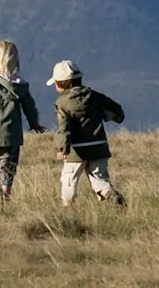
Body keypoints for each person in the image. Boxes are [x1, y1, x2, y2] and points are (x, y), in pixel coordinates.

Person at [0, 40, 46, 204]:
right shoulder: (21, 86)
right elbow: (30, 108)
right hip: (11, 136)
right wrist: (35, 124)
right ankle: (5, 196)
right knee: (7, 167)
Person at [47, 60, 125, 207]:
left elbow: (64, 128)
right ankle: (111, 195)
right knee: (100, 180)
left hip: (77, 151)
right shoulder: (95, 96)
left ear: (59, 84)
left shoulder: (62, 103)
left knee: (69, 179)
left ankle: (67, 207)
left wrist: (63, 149)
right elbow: (116, 110)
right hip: (99, 146)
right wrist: (115, 117)